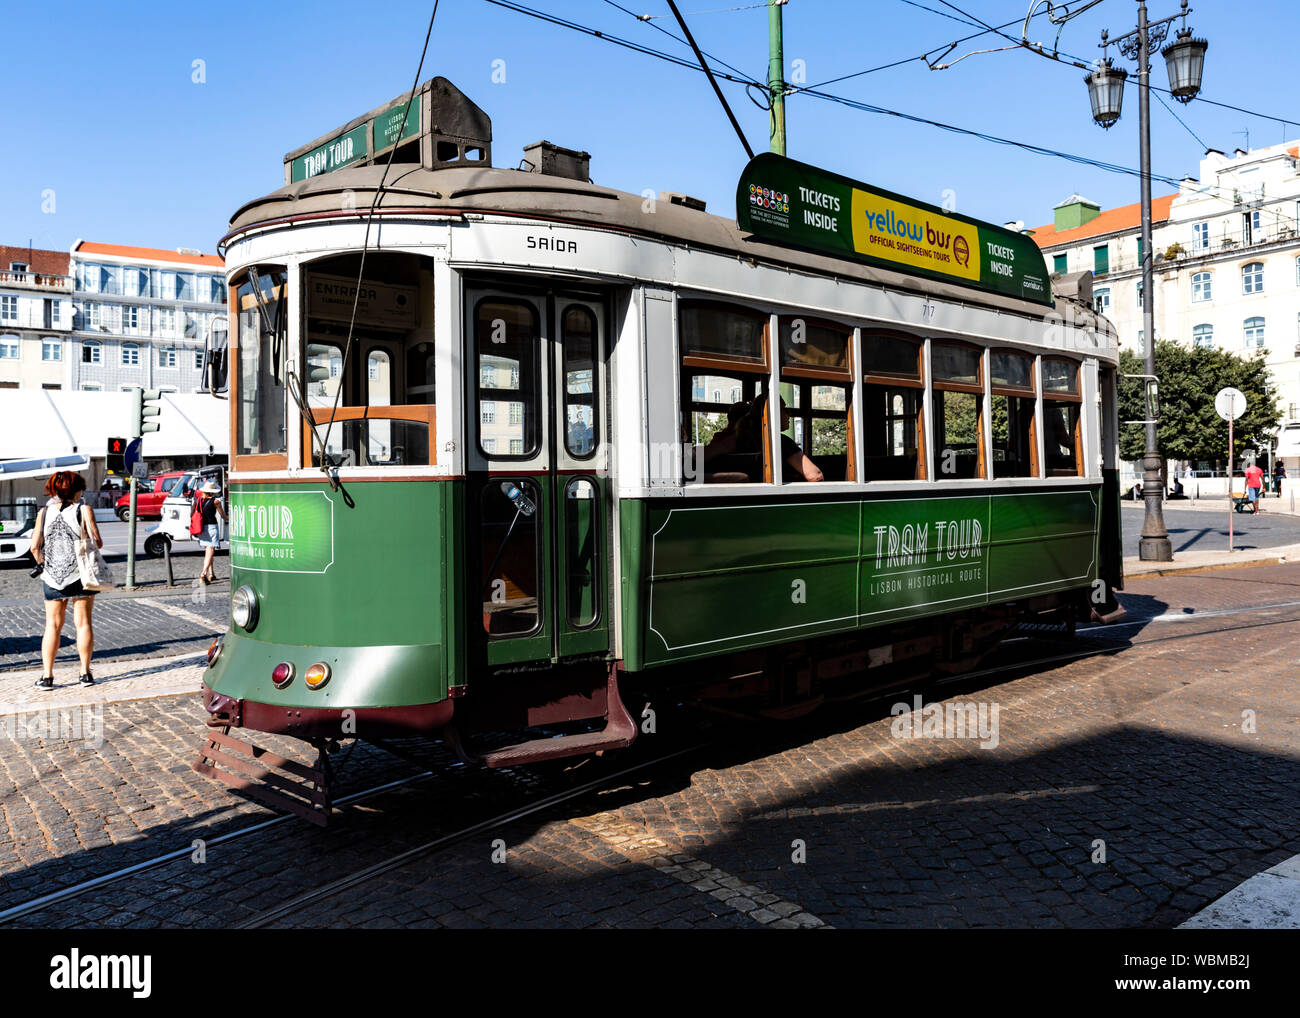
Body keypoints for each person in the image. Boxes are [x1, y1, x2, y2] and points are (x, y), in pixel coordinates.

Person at [30, 471, 102, 690]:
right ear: (76, 490)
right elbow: (97, 542)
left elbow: (34, 546)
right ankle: (85, 673)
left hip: (52, 576)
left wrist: (46, 563)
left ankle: (47, 676)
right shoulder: (84, 509)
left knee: (52, 625)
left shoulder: (43, 513)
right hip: (80, 574)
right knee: (83, 623)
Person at [194, 478, 228, 583]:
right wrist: (231, 518)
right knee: (210, 550)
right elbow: (223, 516)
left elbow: (193, 513)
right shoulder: (216, 501)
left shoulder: (197, 500)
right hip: (212, 527)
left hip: (201, 528)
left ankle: (211, 574)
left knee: (207, 551)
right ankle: (203, 573)